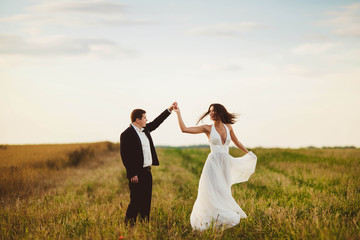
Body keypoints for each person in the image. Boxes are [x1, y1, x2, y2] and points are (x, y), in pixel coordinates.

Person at [173, 103, 257, 231]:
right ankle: (208, 219)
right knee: (211, 191)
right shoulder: (207, 128)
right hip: (212, 164)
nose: (211, 114)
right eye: (210, 111)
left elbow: (237, 142)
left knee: (223, 191)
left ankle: (221, 218)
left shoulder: (228, 127)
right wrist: (178, 113)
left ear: (220, 112)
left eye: (213, 111)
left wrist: (248, 153)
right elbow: (184, 129)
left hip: (225, 163)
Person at [120, 102, 177, 225]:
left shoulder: (145, 130)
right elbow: (125, 156)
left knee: (146, 201)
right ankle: (128, 226)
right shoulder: (126, 134)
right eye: (145, 117)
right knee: (135, 201)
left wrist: (169, 109)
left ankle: (144, 225)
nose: (147, 119)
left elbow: (157, 122)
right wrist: (132, 174)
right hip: (137, 174)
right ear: (138, 119)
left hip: (147, 172)